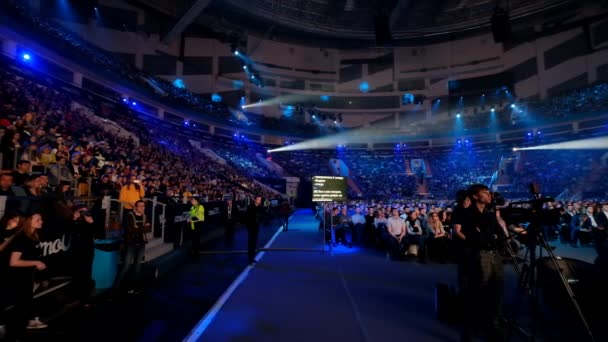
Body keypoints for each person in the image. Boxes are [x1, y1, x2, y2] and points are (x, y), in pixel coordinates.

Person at [461, 184, 508, 341]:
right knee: (476, 292)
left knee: (496, 292)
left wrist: (490, 238)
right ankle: (468, 330)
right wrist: (490, 237)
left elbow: (501, 236)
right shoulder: (467, 214)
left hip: (495, 257)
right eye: (485, 193)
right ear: (475, 196)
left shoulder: (490, 215)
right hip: (478, 256)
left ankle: (493, 325)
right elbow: (473, 237)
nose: (489, 195)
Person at [7, 213, 48, 339]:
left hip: (26, 275)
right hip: (17, 276)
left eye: (41, 219)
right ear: (29, 222)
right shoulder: (22, 239)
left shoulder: (33, 236)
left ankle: (30, 321)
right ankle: (16, 331)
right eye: (38, 219)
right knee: (21, 303)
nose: (41, 221)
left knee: (26, 299)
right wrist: (36, 262)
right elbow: (13, 262)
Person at [114, 200, 150, 294]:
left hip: (141, 243)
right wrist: (142, 228)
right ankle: (115, 289)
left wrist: (137, 228)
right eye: (140, 206)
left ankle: (133, 287)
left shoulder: (145, 216)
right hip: (130, 244)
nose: (142, 208)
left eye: (143, 206)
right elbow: (130, 230)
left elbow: (148, 229)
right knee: (126, 266)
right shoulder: (128, 215)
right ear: (135, 207)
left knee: (137, 267)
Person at [246, 196, 264, 265]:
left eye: (260, 199)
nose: (260, 201)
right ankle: (249, 259)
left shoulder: (259, 207)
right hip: (251, 227)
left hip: (256, 227)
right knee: (251, 243)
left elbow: (262, 214)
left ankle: (252, 258)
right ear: (255, 200)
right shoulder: (250, 207)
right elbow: (248, 217)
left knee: (254, 243)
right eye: (258, 199)